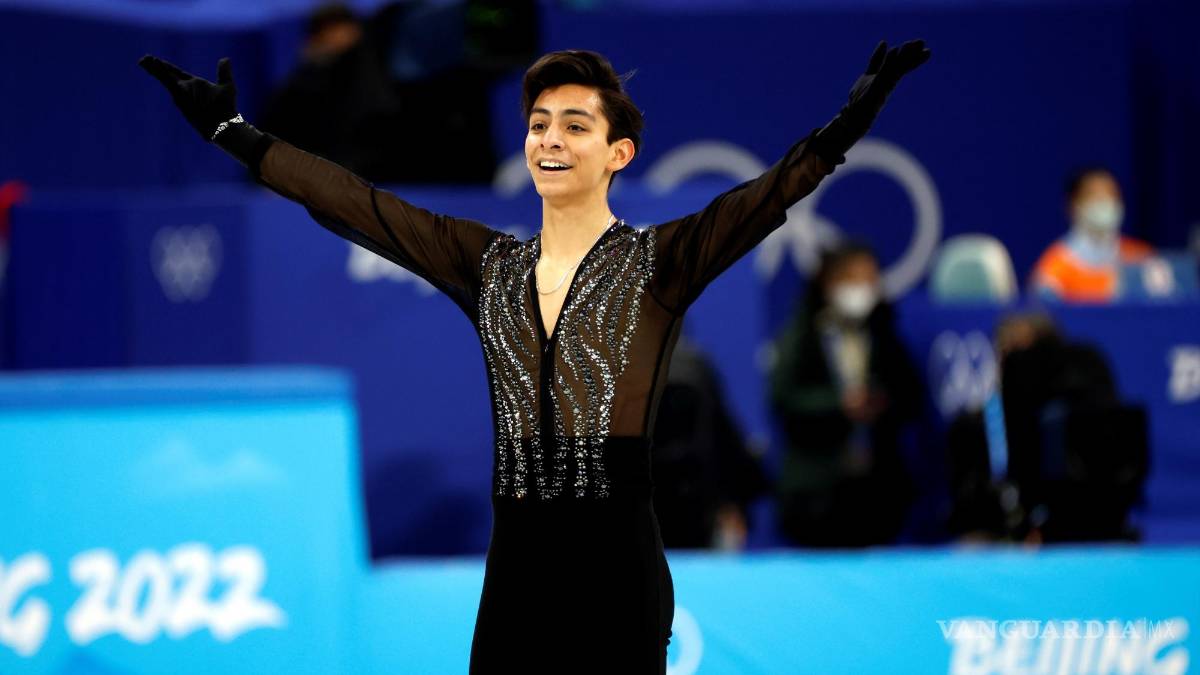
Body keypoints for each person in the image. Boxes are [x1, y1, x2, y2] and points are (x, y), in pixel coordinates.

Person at [139, 39, 930, 674]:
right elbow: (358, 206)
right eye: (539, 124)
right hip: (516, 575)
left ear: (619, 152)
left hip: (618, 569)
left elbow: (769, 195)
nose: (550, 139)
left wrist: (843, 130)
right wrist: (234, 134)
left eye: (575, 126)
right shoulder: (489, 266)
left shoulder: (660, 261)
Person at [769, 243, 921, 548]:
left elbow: (910, 397)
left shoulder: (885, 335)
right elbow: (783, 398)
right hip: (815, 493)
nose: (862, 288)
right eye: (852, 279)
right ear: (830, 283)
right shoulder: (802, 335)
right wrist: (838, 405)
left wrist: (880, 403)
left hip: (877, 494)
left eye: (869, 279)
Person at [1030, 166, 1153, 302]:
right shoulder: (1053, 268)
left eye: (1111, 194)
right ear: (1073, 205)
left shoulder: (1140, 258)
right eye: (1094, 195)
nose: (1104, 202)